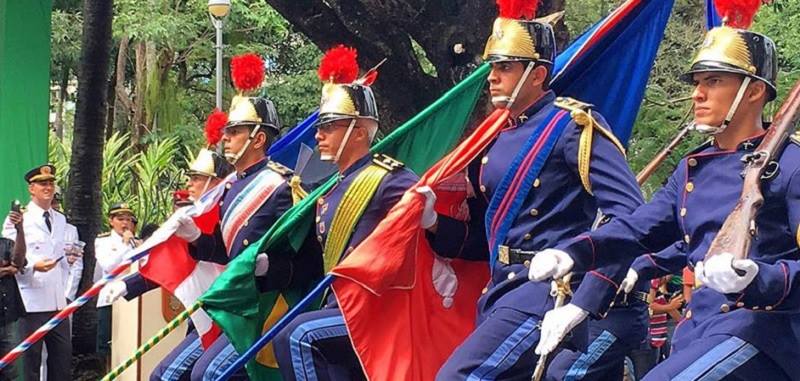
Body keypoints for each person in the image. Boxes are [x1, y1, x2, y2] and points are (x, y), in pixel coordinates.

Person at [537, 9, 799, 379]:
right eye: (697, 81)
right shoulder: (692, 167)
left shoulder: (791, 164)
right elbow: (638, 228)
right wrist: (574, 251)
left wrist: (760, 278)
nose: (698, 93)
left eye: (713, 81)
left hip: (766, 335)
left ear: (754, 90)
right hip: (701, 330)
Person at [418, 1, 644, 379]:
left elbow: (630, 217)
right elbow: (489, 239)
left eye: (505, 67)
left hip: (549, 292)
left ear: (537, 74)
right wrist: (436, 225)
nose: (492, 77)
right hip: (500, 291)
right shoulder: (493, 140)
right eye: (492, 67)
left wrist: (587, 300)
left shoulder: (571, 127)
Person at [273, 44, 418, 381]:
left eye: (330, 125)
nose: (319, 135)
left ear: (358, 130)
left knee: (296, 336)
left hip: (376, 309)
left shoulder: (388, 179)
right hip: (337, 305)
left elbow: (417, 234)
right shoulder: (332, 187)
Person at [2, 165, 76, 381]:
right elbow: (10, 255)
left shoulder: (60, 219)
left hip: (57, 301)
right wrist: (34, 265)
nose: (48, 187)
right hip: (30, 300)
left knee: (61, 363)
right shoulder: (17, 219)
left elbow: (59, 252)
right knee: (30, 364)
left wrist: (69, 260)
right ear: (31, 189)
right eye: (43, 183)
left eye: (51, 183)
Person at [0, 205, 26, 381]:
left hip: (7, 316)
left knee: (11, 370)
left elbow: (19, 263)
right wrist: (6, 270)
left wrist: (20, 230)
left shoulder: (5, 243)